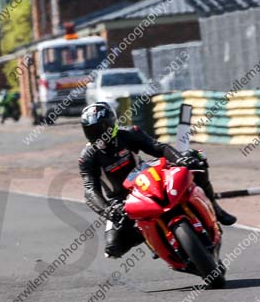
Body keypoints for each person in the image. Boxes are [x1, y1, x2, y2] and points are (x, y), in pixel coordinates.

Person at [78, 102, 237, 259]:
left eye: (101, 127)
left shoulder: (129, 133)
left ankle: (215, 208)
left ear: (112, 124)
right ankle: (152, 238)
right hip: (120, 200)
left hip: (144, 181)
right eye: (90, 130)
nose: (97, 133)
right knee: (113, 247)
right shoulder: (87, 157)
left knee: (196, 158)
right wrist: (108, 211)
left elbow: (159, 148)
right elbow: (90, 190)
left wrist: (181, 160)